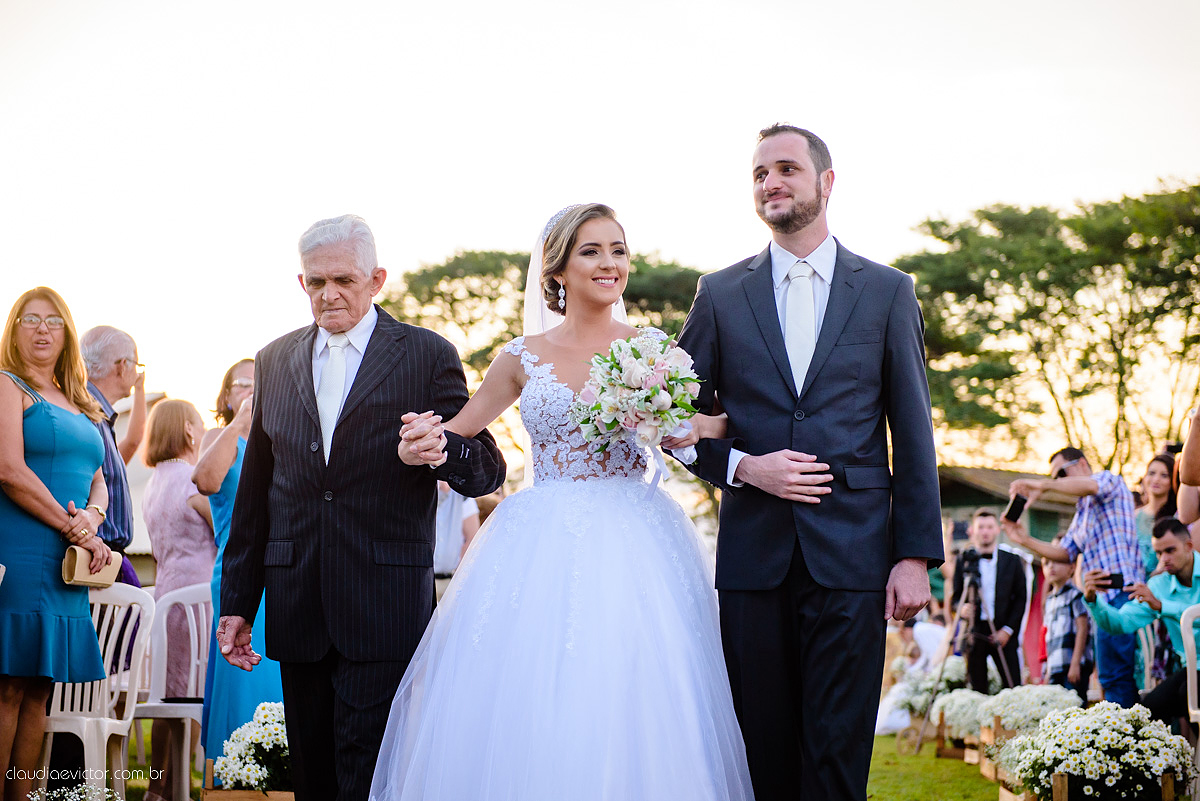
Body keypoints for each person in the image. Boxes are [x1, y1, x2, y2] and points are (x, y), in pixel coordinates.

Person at [371, 204, 753, 801]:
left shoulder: (654, 352)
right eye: (592, 251)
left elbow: (711, 423)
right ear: (558, 270)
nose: (610, 264)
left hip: (639, 539)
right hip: (540, 538)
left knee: (640, 687)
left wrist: (694, 428)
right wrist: (423, 440)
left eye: (618, 250)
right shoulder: (520, 357)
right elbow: (461, 431)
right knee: (536, 687)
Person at [674, 124, 943, 801]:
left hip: (852, 556)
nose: (771, 182)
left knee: (837, 754)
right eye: (760, 173)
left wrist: (914, 556)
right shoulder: (720, 292)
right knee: (761, 753)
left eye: (787, 168)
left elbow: (913, 432)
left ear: (826, 182)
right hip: (752, 560)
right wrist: (743, 466)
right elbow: (669, 419)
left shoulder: (887, 291)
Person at [217, 214, 506, 801]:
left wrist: (441, 449)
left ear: (376, 279)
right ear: (302, 283)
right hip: (296, 599)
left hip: (384, 600)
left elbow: (488, 467)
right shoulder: (273, 360)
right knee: (313, 777)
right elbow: (256, 492)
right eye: (316, 282)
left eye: (343, 280)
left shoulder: (427, 354)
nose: (329, 294)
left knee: (371, 773)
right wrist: (239, 603)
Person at [0, 287, 112, 801]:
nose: (42, 329)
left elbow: (99, 477)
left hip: (69, 561)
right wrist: (78, 531)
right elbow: (9, 471)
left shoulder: (81, 401)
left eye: (53, 320)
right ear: (13, 331)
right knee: (8, 687)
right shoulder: (7, 385)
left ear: (66, 332)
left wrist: (92, 517)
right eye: (30, 319)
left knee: (41, 689)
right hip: (20, 549)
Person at [193, 360, 283, 770]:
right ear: (227, 395)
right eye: (241, 384)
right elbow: (206, 481)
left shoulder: (279, 439)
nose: (249, 390)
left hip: (282, 574)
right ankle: (230, 776)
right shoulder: (217, 437)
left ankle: (280, 777)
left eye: (257, 384)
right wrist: (239, 424)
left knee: (277, 679)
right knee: (240, 678)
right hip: (235, 574)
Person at [1007, 446, 1142, 707]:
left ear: (1081, 464)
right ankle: (1125, 738)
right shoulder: (1082, 512)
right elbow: (1064, 553)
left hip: (1124, 594)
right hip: (1101, 602)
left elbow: (1090, 486)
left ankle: (1132, 739)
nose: (1058, 481)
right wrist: (1022, 539)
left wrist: (1042, 486)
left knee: (1118, 676)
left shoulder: (1109, 481)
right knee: (1109, 677)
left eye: (1061, 473)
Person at [142, 399, 216, 801]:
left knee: (169, 699)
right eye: (200, 424)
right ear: (189, 430)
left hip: (166, 596)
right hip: (196, 604)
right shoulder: (192, 478)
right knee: (193, 699)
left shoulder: (155, 482)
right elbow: (226, 529)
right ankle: (187, 788)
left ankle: (158, 789)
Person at [1078, 518, 1200, 724]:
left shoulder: (1157, 595)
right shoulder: (1158, 585)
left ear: (1188, 546)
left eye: (1170, 550)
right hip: (1191, 672)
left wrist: (1162, 606)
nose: (1164, 559)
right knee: (1144, 715)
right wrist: (1092, 599)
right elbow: (1120, 624)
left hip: (1191, 677)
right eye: (1159, 553)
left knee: (1183, 694)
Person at [81, 325, 147, 586]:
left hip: (105, 556)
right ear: (122, 366)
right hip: (98, 557)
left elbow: (131, 444)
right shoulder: (87, 414)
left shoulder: (100, 416)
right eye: (136, 365)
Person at [950, 510, 1026, 691]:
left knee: (1013, 685)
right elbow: (955, 597)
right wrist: (962, 610)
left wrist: (1008, 630)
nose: (985, 531)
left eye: (989, 527)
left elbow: (1021, 598)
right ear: (973, 531)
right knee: (977, 688)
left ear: (997, 530)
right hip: (975, 632)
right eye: (981, 527)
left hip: (1003, 630)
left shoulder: (1013, 560)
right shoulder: (964, 560)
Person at [1040, 538, 1092, 703]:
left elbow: (1083, 628)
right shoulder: (1049, 601)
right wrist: (1048, 670)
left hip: (1072, 666)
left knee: (1074, 706)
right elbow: (1049, 637)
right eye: (1046, 563)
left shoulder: (1075, 595)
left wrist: (1076, 663)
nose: (1051, 567)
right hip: (1056, 667)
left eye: (1057, 562)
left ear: (1072, 568)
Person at [1135, 454, 1176, 576]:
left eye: (1164, 475)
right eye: (1151, 473)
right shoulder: (1133, 517)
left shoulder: (1177, 517)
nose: (1156, 479)